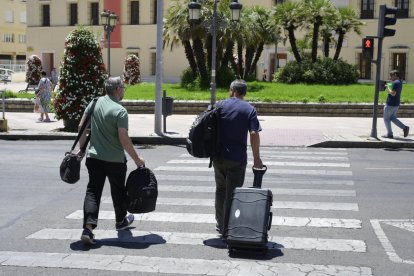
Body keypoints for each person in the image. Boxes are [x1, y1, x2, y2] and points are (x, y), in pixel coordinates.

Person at [77, 76, 145, 245]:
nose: (123, 90)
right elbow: (123, 137)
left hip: (94, 158)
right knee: (118, 191)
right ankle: (121, 221)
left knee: (93, 191)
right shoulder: (120, 111)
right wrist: (136, 159)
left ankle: (88, 228)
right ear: (117, 90)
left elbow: (81, 127)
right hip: (115, 160)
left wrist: (82, 148)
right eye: (123, 87)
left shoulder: (94, 102)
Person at [213, 79, 263, 235]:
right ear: (244, 93)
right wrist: (257, 158)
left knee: (220, 190)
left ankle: (221, 225)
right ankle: (229, 226)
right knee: (233, 194)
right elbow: (254, 133)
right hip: (237, 159)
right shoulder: (249, 109)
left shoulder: (220, 105)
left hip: (218, 157)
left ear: (232, 90)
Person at [382, 70, 410, 139]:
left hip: (390, 104)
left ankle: (390, 134)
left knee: (386, 119)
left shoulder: (396, 83)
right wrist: (390, 84)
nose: (390, 77)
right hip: (396, 103)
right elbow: (395, 87)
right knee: (393, 118)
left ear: (395, 75)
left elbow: (393, 93)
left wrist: (387, 88)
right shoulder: (399, 82)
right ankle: (404, 128)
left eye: (391, 75)